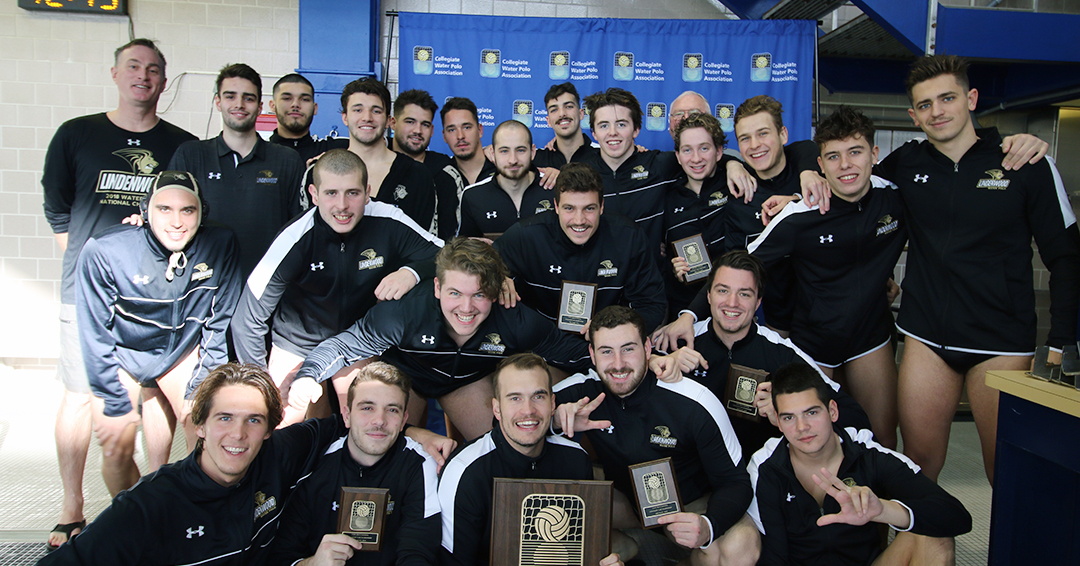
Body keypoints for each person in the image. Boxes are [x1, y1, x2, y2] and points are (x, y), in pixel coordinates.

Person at [876, 55, 1080, 483]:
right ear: (914, 116)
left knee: (1006, 472)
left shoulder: (1027, 164)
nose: (938, 112)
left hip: (1002, 343)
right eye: (926, 105)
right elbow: (847, 184)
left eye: (947, 98)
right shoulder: (906, 165)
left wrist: (1062, 342)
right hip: (927, 336)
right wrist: (803, 182)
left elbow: (1067, 258)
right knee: (918, 465)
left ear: (970, 98)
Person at [40, 38, 197, 549]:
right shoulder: (76, 134)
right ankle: (71, 506)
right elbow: (58, 210)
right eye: (133, 67)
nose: (143, 77)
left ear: (164, 81)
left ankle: (150, 492)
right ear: (115, 74)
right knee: (80, 396)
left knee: (152, 394)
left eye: (153, 69)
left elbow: (186, 217)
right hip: (86, 295)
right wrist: (94, 263)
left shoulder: (180, 144)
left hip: (156, 299)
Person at [38, 363, 345, 566]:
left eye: (253, 420)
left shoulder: (276, 454)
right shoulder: (150, 505)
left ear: (268, 431)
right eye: (224, 418)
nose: (238, 434)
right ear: (199, 426)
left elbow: (351, 425)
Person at [296, 237, 592, 441]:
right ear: (437, 287)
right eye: (455, 294)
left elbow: (571, 352)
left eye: (478, 295)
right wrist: (307, 376)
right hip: (408, 375)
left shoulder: (515, 319)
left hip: (465, 382)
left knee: (500, 448)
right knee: (378, 442)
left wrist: (612, 350)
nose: (466, 308)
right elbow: (342, 346)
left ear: (494, 292)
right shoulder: (402, 313)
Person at [231, 149, 442, 426]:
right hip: (297, 342)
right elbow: (247, 320)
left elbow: (446, 255)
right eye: (331, 193)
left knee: (361, 425)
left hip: (354, 341)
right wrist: (260, 383)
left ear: (367, 192)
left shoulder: (388, 218)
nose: (342, 205)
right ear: (314, 194)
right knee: (274, 424)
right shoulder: (294, 237)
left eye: (352, 193)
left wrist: (411, 272)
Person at [746, 107, 905, 449]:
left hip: (869, 338)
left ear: (874, 155)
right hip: (812, 342)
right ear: (820, 165)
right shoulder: (799, 213)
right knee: (808, 442)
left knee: (881, 439)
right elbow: (741, 267)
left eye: (855, 152)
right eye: (833, 156)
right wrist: (689, 316)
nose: (845, 164)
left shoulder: (895, 196)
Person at [77, 170, 241, 499]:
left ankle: (197, 518)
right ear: (145, 211)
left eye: (187, 210)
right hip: (125, 352)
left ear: (202, 213)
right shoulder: (106, 250)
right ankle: (135, 518)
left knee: (205, 429)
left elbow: (218, 322)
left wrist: (200, 385)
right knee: (116, 444)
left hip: (179, 352)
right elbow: (95, 337)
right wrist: (113, 401)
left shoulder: (221, 243)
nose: (176, 221)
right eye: (164, 209)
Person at [555, 306, 759, 566]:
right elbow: (512, 420)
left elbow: (736, 482)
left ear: (648, 348)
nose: (618, 364)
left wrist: (708, 526)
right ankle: (623, 547)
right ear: (592, 355)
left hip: (688, 504)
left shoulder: (694, 401)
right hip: (623, 500)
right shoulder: (582, 391)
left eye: (629, 349)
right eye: (607, 351)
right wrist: (553, 420)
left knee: (741, 546)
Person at [748, 362, 971, 566]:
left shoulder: (869, 455)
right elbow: (773, 556)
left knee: (935, 536)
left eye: (812, 412)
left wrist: (883, 510)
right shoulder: (765, 468)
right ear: (777, 420)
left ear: (832, 411)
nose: (802, 427)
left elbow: (957, 516)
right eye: (789, 417)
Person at [651, 251, 871, 457]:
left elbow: (852, 414)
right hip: (692, 474)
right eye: (723, 290)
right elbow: (625, 376)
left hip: (760, 476)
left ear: (758, 302)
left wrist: (786, 406)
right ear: (708, 296)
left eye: (744, 294)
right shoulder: (676, 343)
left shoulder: (781, 352)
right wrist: (658, 363)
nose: (732, 303)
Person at [437, 353, 625, 566]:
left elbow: (576, 549)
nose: (528, 410)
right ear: (497, 409)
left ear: (553, 403)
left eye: (538, 396)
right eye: (515, 398)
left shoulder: (575, 459)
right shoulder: (464, 472)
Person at [270, 362, 440, 566]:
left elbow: (417, 552)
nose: (379, 420)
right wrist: (313, 563)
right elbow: (282, 556)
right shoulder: (314, 460)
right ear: (347, 415)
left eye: (392, 410)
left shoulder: (420, 463)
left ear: (404, 421)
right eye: (367, 408)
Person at [573, 88, 754, 272]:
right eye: (604, 125)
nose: (613, 132)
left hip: (650, 283)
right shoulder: (582, 174)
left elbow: (700, 158)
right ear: (594, 133)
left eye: (621, 124)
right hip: (600, 280)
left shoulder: (660, 165)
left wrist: (733, 164)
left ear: (636, 129)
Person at [494, 162, 666, 334]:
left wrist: (613, 331)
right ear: (556, 206)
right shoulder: (526, 236)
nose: (579, 220)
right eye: (569, 208)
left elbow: (652, 304)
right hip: (543, 344)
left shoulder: (629, 237)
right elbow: (477, 264)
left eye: (589, 208)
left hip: (608, 345)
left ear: (602, 206)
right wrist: (496, 276)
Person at [168, 63, 305, 278]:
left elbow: (299, 231)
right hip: (203, 287)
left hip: (266, 290)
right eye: (230, 96)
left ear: (260, 107)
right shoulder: (191, 155)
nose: (239, 104)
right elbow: (168, 218)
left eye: (248, 98)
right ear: (218, 102)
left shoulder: (286, 160)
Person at [338, 78, 438, 234]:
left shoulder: (418, 175)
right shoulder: (322, 172)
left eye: (376, 111)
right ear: (345, 117)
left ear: (387, 120)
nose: (367, 118)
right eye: (358, 110)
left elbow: (425, 246)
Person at [665, 112, 732, 313]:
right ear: (677, 156)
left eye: (704, 148)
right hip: (683, 311)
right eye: (687, 150)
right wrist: (673, 269)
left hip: (732, 307)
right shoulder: (665, 199)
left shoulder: (736, 185)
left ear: (719, 152)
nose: (696, 158)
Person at [390, 88, 464, 240]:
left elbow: (452, 238)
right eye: (410, 122)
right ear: (393, 123)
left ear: (432, 130)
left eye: (425, 124)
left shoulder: (445, 172)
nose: (417, 130)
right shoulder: (375, 166)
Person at [458, 120, 551, 238]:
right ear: (492, 153)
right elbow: (463, 248)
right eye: (504, 151)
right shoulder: (472, 195)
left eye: (520, 150)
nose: (513, 160)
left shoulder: (555, 188)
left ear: (532, 152)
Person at [267, 73, 349, 164]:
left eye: (304, 99)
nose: (295, 104)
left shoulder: (337, 150)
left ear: (315, 108)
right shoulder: (258, 153)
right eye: (287, 98)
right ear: (273, 106)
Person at [533, 82, 596, 168]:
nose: (562, 114)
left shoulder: (601, 156)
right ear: (548, 121)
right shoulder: (536, 160)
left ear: (581, 114)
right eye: (554, 110)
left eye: (569, 106)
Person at [441, 97, 497, 186]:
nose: (460, 136)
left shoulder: (502, 170)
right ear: (444, 136)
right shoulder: (441, 175)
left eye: (467, 127)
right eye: (452, 130)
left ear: (480, 130)